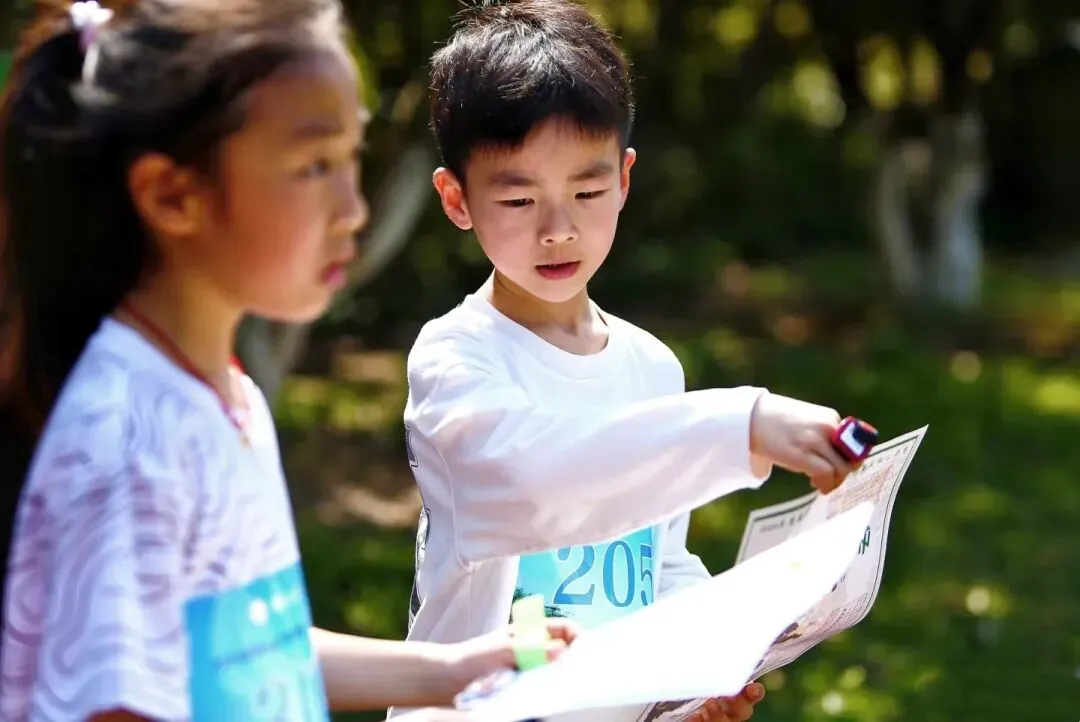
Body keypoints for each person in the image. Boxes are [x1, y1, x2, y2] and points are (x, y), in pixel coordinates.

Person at [0, 1, 577, 719]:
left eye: (350, 158)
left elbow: (246, 646)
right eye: (313, 166)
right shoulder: (130, 440)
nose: (352, 209)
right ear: (173, 196)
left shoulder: (220, 394)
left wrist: (449, 669)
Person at [400, 1, 864, 721]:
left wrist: (692, 681)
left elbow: (657, 565)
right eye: (519, 198)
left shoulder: (650, 367)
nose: (559, 230)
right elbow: (531, 485)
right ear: (456, 198)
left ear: (624, 178)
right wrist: (739, 425)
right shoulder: (456, 360)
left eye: (586, 192)